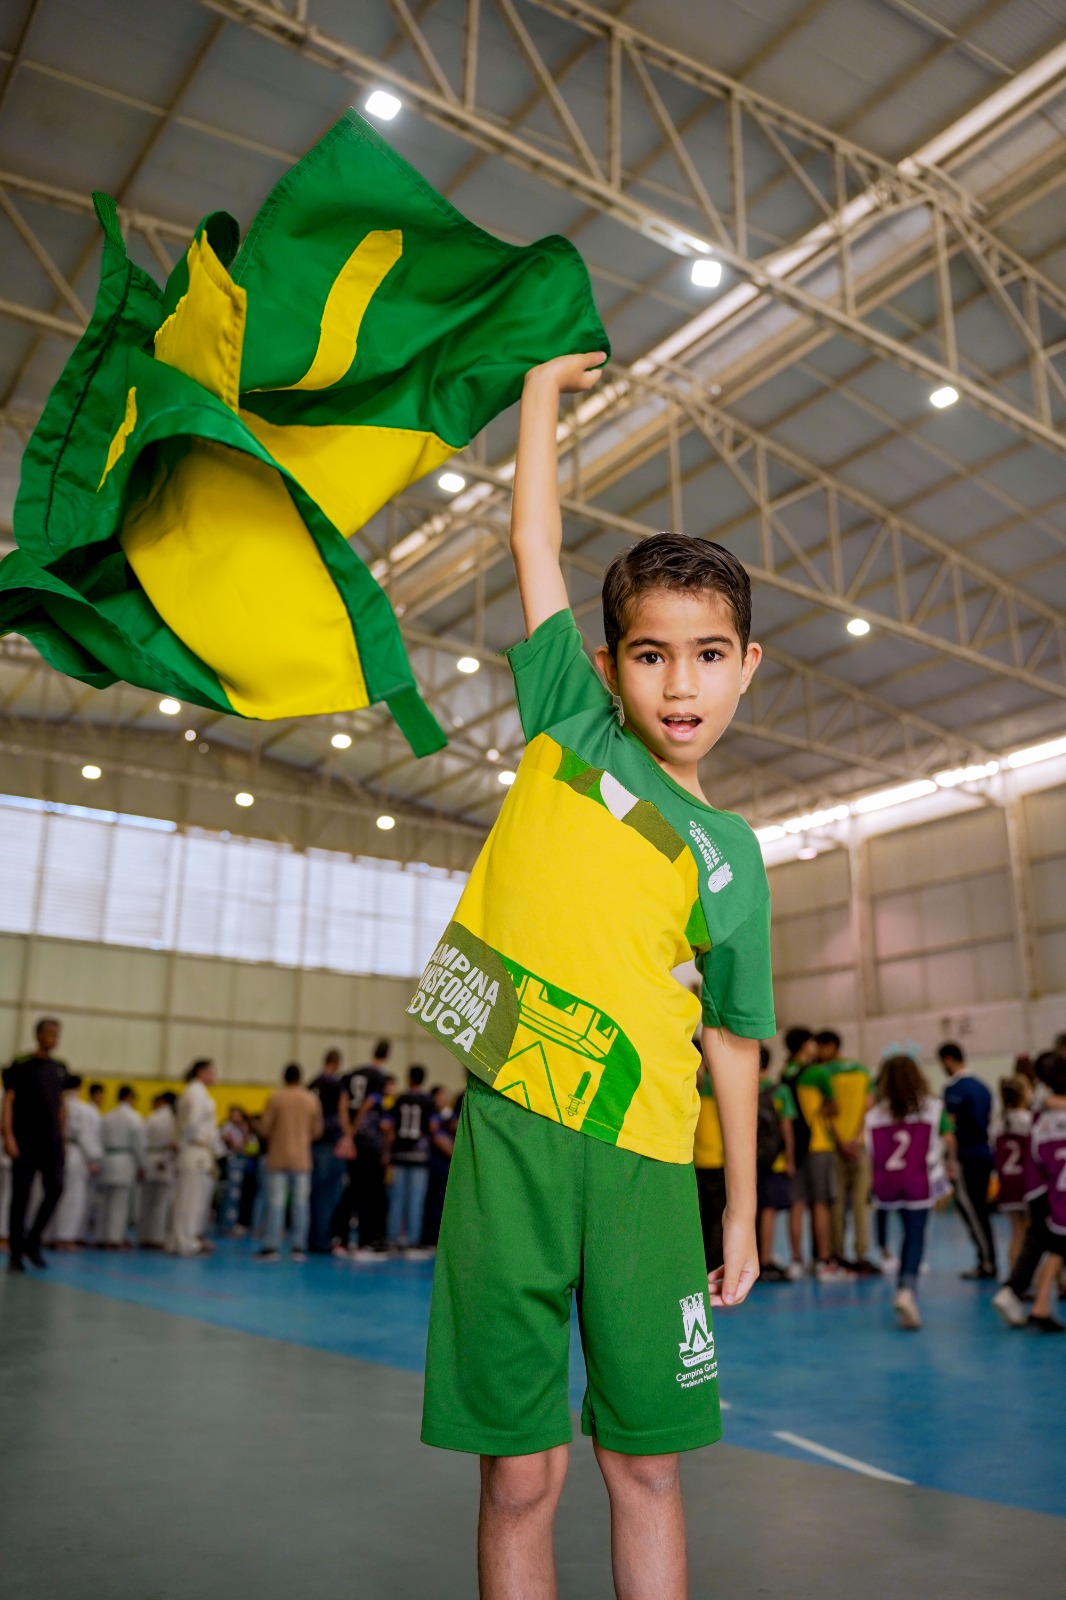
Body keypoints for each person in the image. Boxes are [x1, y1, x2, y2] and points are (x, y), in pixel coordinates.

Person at [408, 351, 773, 1600]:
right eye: (652, 655)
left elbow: (734, 1038)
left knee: (646, 1466)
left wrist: (740, 1209)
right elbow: (533, 541)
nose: (681, 682)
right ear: (610, 666)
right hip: (510, 1132)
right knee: (518, 1475)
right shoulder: (567, 724)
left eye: (708, 654)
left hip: (645, 1164)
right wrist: (540, 395)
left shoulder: (732, 855)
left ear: (746, 665)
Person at [865, 1049, 954, 1330]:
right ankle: (906, 1290)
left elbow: (871, 1151)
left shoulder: (874, 1115)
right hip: (918, 1179)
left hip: (887, 1182)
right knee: (915, 1236)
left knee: (902, 1231)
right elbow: (945, 1140)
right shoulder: (933, 1107)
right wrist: (949, 1165)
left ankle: (886, 1255)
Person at [993, 1049, 1066, 1333]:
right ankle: (1024, 1294)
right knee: (1051, 1244)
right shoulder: (1039, 1113)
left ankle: (1023, 1293)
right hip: (1055, 1190)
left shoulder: (1037, 1116)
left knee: (1038, 1240)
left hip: (1037, 1187)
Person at [2, 1018, 69, 1273]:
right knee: (21, 1197)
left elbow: (61, 1105)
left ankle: (33, 1239)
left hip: (51, 1142)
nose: (55, 1039)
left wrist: (62, 1137)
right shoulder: (20, 1065)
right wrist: (8, 1135)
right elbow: (9, 1100)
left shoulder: (59, 1068)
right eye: (51, 1033)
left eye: (57, 1034)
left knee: (56, 1188)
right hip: (25, 1142)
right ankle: (16, 1254)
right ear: (39, 1035)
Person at [782, 1027, 849, 1280]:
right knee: (821, 1203)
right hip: (818, 1144)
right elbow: (834, 1108)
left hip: (795, 1148)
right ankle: (823, 1261)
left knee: (797, 1204)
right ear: (805, 1045)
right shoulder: (818, 1073)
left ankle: (796, 1260)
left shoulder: (785, 1073)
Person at [938, 1041, 996, 1279]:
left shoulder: (953, 1089)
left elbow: (949, 1128)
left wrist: (949, 1159)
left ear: (948, 1060)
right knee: (980, 1207)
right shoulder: (983, 1087)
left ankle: (987, 1261)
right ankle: (987, 1258)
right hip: (984, 1152)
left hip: (965, 1155)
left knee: (971, 1209)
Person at [818, 1030, 875, 1272]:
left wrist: (842, 1142)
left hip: (835, 1147)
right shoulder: (862, 1070)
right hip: (859, 1146)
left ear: (831, 1046)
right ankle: (862, 1255)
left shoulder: (823, 1073)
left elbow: (827, 1111)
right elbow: (868, 1106)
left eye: (821, 1047)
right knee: (861, 1203)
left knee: (837, 1202)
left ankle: (838, 1254)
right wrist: (856, 1138)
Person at [257, 1064, 323, 1263]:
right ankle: (298, 1247)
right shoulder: (311, 1099)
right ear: (301, 1078)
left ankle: (271, 1246)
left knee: (276, 1203)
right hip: (302, 1159)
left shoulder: (276, 1098)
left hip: (278, 1158)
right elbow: (317, 1131)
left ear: (284, 1077)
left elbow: (265, 1128)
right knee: (301, 1204)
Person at [382, 1065, 437, 1258]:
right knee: (416, 1200)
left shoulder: (400, 1099)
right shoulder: (428, 1101)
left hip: (399, 1154)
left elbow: (389, 1127)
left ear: (409, 1078)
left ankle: (393, 1239)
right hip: (419, 1156)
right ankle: (412, 1241)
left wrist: (387, 1151)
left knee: (397, 1199)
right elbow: (433, 1127)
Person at [167, 1060, 219, 1257]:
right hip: (194, 1148)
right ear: (201, 1072)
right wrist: (184, 1142)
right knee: (190, 1200)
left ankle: (180, 1240)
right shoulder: (196, 1093)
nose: (214, 1076)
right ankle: (185, 1242)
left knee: (189, 1199)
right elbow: (190, 1123)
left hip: (196, 1150)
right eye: (211, 1072)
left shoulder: (197, 1092)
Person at [48, 1076, 103, 1249]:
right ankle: (64, 1238)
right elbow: (84, 1134)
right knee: (73, 1198)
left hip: (53, 1152)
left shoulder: (53, 1103)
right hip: (75, 1154)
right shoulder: (82, 1108)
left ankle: (47, 1235)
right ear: (80, 1088)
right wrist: (93, 1158)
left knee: (51, 1195)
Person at [756, 1047, 796, 1281]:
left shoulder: (744, 1088)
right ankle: (765, 1259)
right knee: (769, 1209)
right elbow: (786, 1128)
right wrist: (790, 1159)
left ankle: (753, 1256)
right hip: (774, 1159)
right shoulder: (779, 1091)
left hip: (748, 1159)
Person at [307, 1048, 353, 1253]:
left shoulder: (312, 1084)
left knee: (313, 1193)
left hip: (313, 1144)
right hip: (331, 1144)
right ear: (337, 1063)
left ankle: (310, 1236)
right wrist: (348, 1137)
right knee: (329, 1195)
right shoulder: (337, 1085)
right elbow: (342, 1112)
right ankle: (322, 1239)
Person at [97, 1086, 145, 1248]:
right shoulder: (134, 1117)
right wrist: (142, 1165)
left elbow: (99, 1138)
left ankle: (101, 1237)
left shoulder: (107, 1116)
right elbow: (139, 1144)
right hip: (124, 1161)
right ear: (130, 1097)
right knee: (120, 1203)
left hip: (106, 1159)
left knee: (104, 1202)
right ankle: (114, 1239)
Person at [994, 1076, 1032, 1272]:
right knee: (1030, 1233)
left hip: (1007, 1182)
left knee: (1016, 1232)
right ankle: (1026, 1275)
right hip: (1027, 1182)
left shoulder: (998, 1124)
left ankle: (1014, 1275)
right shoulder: (1029, 1120)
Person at [693, 1059, 726, 1273]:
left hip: (696, 1161)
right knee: (715, 1216)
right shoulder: (715, 1086)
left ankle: (705, 1262)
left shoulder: (687, 1088)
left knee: (704, 1215)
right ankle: (714, 1263)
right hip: (715, 1160)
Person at [139, 1091, 178, 1249]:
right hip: (165, 1159)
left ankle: (144, 1236)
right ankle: (157, 1238)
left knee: (146, 1201)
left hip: (149, 1157)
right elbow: (174, 1143)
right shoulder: (173, 1119)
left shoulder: (151, 1117)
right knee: (161, 1203)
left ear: (162, 1100)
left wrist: (141, 1164)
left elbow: (142, 1141)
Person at [421, 1084, 457, 1249]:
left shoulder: (449, 1116)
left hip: (444, 1163)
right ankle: (429, 1236)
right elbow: (437, 1138)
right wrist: (453, 1154)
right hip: (436, 1163)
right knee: (434, 1200)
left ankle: (437, 1235)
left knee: (442, 1201)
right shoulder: (432, 1116)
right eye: (441, 1095)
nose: (445, 1098)